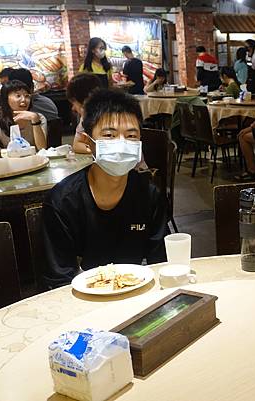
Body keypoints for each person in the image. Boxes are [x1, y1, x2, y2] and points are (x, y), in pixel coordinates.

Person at [42, 88, 170, 288]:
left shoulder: (149, 194)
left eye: (131, 135)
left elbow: (161, 262)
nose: (121, 143)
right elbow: (59, 280)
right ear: (88, 142)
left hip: (136, 294)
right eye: (109, 135)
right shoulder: (62, 202)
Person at [0, 80, 47, 150]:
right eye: (18, 96)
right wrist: (1, 153)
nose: (24, 100)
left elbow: (42, 148)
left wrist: (35, 120)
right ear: (6, 99)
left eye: (27, 96)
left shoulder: (39, 118)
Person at [66, 73, 102, 154]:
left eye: (74, 102)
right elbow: (76, 145)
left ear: (85, 101)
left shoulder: (113, 116)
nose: (73, 108)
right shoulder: (85, 117)